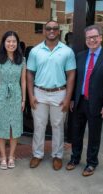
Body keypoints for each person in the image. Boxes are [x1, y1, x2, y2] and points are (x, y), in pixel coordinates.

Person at [66, 24, 103, 176]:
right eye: (88, 38)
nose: (91, 40)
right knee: (76, 132)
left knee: (94, 135)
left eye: (94, 37)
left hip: (97, 104)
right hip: (79, 101)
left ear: (101, 37)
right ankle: (75, 159)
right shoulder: (80, 56)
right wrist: (72, 99)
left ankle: (91, 163)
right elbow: (76, 80)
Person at [27, 20, 76, 170]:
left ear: (59, 31)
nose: (51, 31)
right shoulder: (35, 51)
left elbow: (71, 75)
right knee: (39, 126)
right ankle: (37, 154)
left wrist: (68, 97)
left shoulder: (67, 51)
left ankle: (57, 156)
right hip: (39, 93)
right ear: (44, 31)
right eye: (48, 28)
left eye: (55, 28)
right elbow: (29, 74)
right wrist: (30, 95)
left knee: (58, 126)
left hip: (59, 94)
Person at [0, 31, 26, 170]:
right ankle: (3, 156)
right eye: (8, 41)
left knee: (14, 128)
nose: (11, 44)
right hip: (1, 96)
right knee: (1, 126)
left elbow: (23, 81)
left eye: (14, 41)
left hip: (17, 96)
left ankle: (11, 156)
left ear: (17, 44)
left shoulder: (22, 60)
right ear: (4, 43)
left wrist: (24, 100)